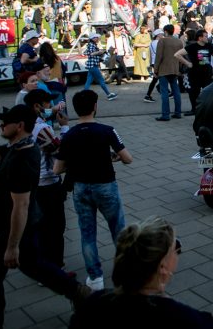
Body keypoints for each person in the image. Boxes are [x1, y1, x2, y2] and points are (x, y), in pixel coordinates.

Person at [0, 106, 90, 328]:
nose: (0, 125)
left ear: (19, 126)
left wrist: (12, 246)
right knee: (34, 266)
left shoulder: (23, 157)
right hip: (15, 227)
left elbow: (21, 205)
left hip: (7, 229)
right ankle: (79, 292)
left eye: (5, 122)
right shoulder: (17, 146)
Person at [69, 216, 213, 329]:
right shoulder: (190, 321)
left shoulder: (92, 306)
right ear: (162, 266)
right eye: (176, 247)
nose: (178, 251)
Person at [54, 89, 133, 292]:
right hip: (105, 185)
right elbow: (127, 158)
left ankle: (95, 278)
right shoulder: (107, 130)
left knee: (87, 233)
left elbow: (58, 169)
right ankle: (126, 274)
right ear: (95, 107)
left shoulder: (69, 135)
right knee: (118, 229)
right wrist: (111, 156)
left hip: (81, 188)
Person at [24, 89, 70, 269]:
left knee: (39, 226)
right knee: (54, 226)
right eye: (47, 104)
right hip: (47, 183)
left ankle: (41, 262)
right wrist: (65, 127)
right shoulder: (41, 128)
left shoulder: (26, 124)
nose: (50, 107)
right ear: (37, 106)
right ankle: (53, 267)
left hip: (33, 182)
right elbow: (61, 151)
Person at [184, 29, 213, 115]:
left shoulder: (209, 46)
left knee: (209, 91)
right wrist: (187, 63)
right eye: (205, 36)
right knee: (194, 93)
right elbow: (177, 54)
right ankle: (194, 109)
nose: (207, 38)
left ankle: (209, 108)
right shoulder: (192, 46)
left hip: (207, 73)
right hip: (194, 74)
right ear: (200, 38)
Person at [83, 32, 117, 101]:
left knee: (88, 81)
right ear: (93, 38)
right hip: (93, 66)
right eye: (97, 37)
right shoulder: (92, 45)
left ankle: (84, 95)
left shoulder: (90, 45)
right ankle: (109, 95)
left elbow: (85, 53)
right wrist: (100, 52)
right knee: (101, 80)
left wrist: (99, 53)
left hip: (91, 66)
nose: (98, 38)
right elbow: (91, 54)